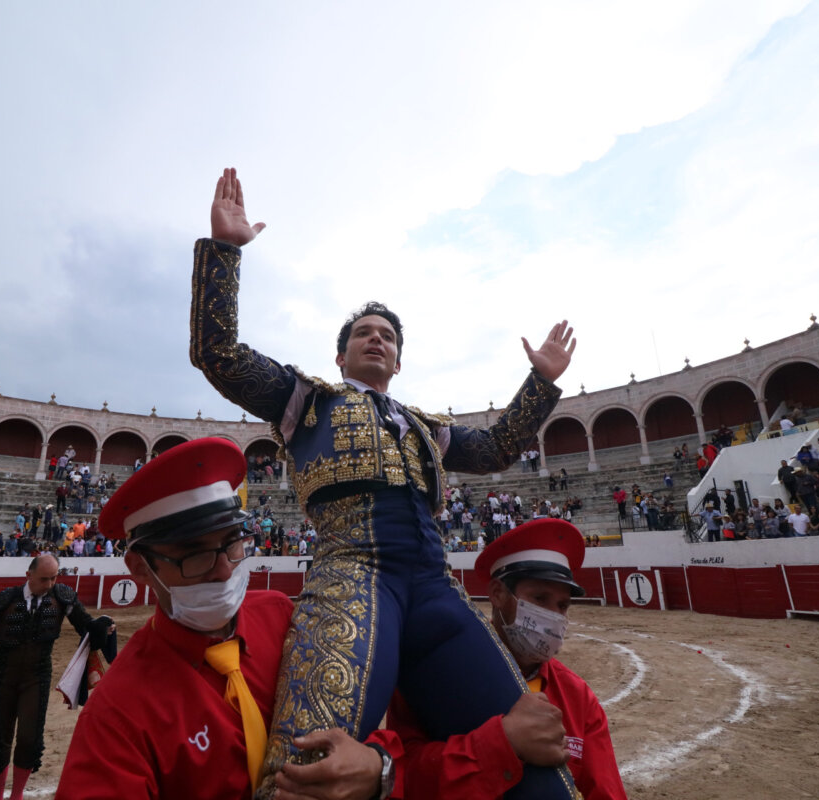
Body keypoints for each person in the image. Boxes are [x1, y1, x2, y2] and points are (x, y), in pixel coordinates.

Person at [191, 168, 579, 799]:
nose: (376, 339)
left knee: (533, 752)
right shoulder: (306, 399)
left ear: (398, 360)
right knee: (305, 771)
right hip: (351, 576)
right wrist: (225, 252)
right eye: (363, 333)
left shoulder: (427, 427)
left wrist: (540, 384)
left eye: (388, 336)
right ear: (340, 355)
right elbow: (220, 355)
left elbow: (499, 449)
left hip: (434, 588)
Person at [58, 438, 387, 800]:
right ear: (140, 567)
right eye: (195, 554)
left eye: (232, 542)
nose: (224, 569)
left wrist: (379, 766)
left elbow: (355, 718)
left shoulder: (280, 614)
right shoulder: (117, 713)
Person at [385, 518, 627, 799]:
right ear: (498, 594)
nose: (553, 617)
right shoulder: (432, 674)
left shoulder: (579, 698)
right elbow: (399, 778)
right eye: (539, 598)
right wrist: (503, 744)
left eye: (562, 605)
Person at [0, 554, 113, 800]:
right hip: (3, 678)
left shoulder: (62, 598)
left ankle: (17, 796)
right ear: (28, 575)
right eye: (44, 579)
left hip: (38, 677)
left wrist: (102, 627)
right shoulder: (4, 601)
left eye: (54, 578)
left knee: (29, 739)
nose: (50, 584)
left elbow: (85, 627)